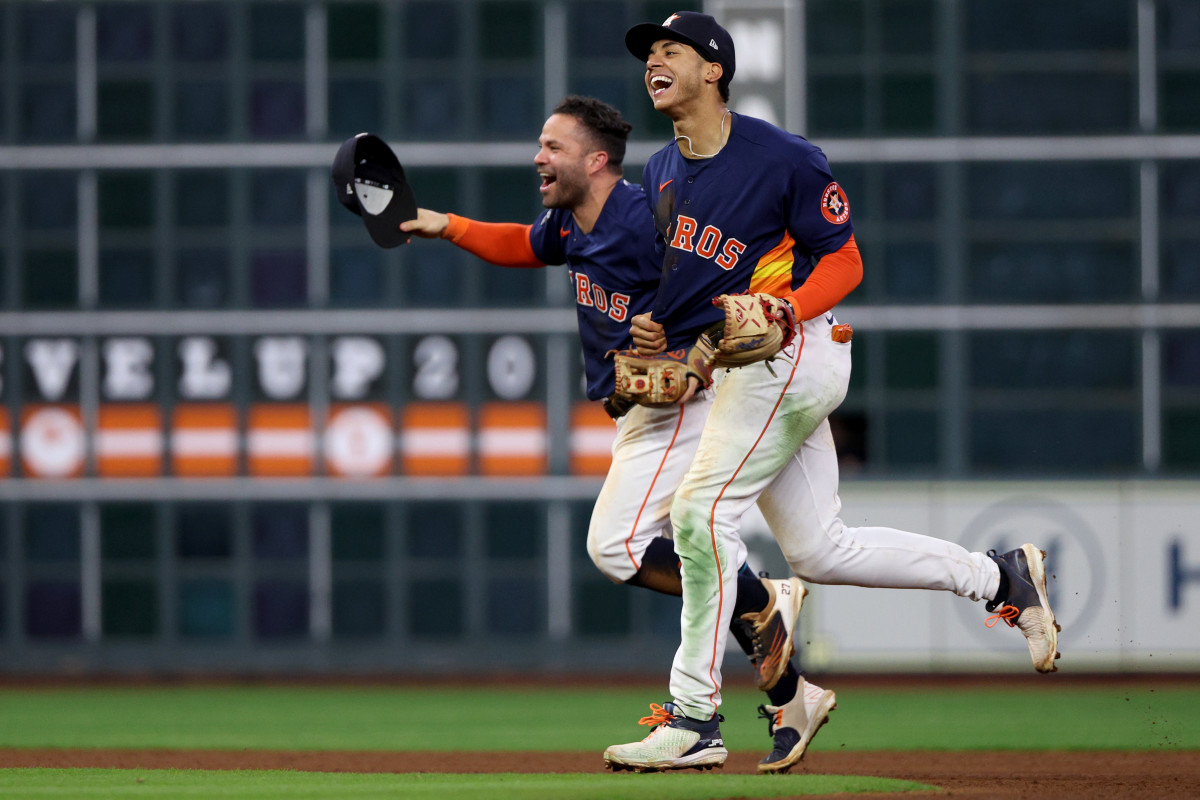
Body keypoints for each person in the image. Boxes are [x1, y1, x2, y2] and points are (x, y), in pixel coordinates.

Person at [602, 12, 1061, 773]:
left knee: (697, 513)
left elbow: (844, 263)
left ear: (713, 69)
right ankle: (999, 577)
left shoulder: (780, 157)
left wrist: (788, 308)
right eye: (648, 52)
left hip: (795, 350)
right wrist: (661, 338)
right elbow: (690, 291)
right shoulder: (661, 171)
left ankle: (693, 716)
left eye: (670, 49)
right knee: (819, 548)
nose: (653, 59)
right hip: (741, 367)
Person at [398, 95, 834, 770]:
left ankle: (718, 679)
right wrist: (444, 223)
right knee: (647, 545)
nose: (538, 157)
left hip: (680, 400)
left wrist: (682, 344)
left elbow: (720, 275)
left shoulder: (641, 215)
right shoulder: (570, 224)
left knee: (619, 545)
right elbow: (522, 243)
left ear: (596, 160)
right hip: (636, 408)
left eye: (553, 146)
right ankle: (774, 650)